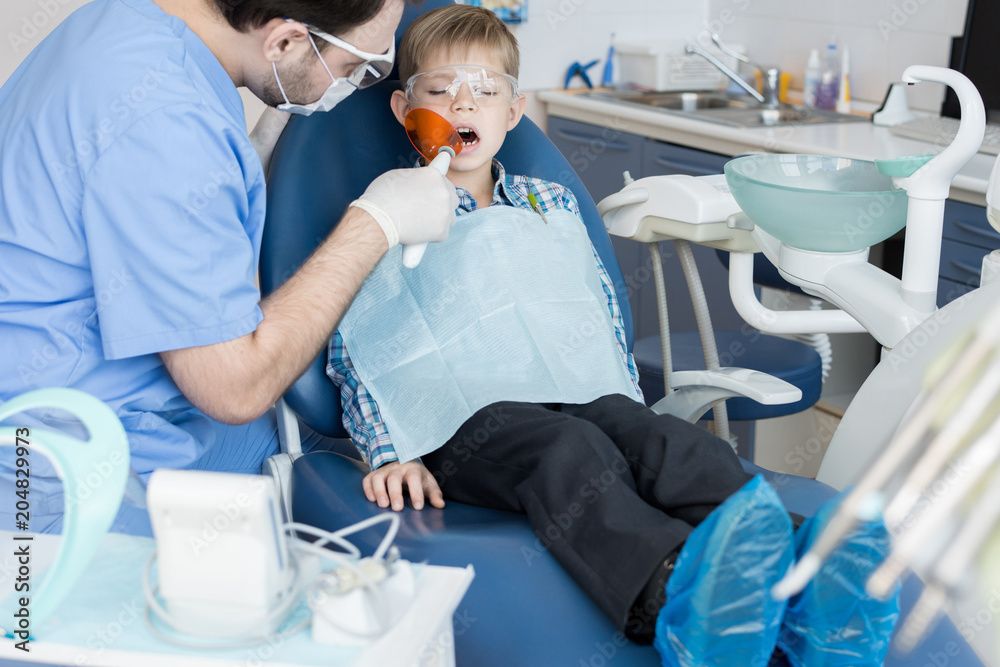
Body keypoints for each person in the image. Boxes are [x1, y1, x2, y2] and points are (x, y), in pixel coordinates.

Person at [327, 5, 900, 666]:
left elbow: (593, 306)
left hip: (574, 389)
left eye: (485, 91)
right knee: (567, 449)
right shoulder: (389, 205)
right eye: (441, 89)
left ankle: (804, 567)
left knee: (657, 438)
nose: (464, 103)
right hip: (465, 421)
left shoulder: (552, 204)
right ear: (404, 107)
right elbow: (360, 333)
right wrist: (386, 449)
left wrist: (623, 402)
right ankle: (683, 595)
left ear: (513, 112)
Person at [0, 0, 460, 534]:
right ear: (284, 41)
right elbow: (234, 389)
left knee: (339, 442)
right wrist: (375, 224)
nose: (357, 82)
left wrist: (233, 177)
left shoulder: (117, 20)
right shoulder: (171, 124)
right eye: (355, 66)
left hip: (57, 393)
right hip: (66, 466)